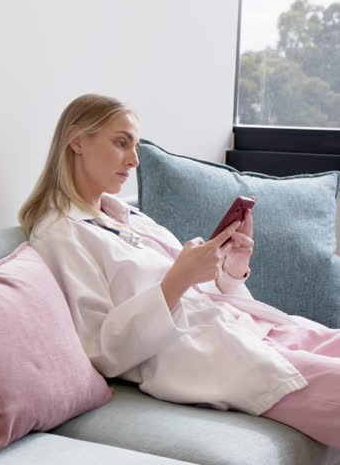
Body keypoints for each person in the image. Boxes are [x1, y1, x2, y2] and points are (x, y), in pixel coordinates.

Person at [17, 93, 340, 448]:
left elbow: (205, 300)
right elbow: (101, 351)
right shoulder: (60, 233)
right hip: (220, 357)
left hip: (254, 328)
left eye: (136, 146)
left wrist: (232, 267)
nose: (134, 160)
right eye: (121, 143)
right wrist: (179, 278)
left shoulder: (131, 218)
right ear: (77, 140)